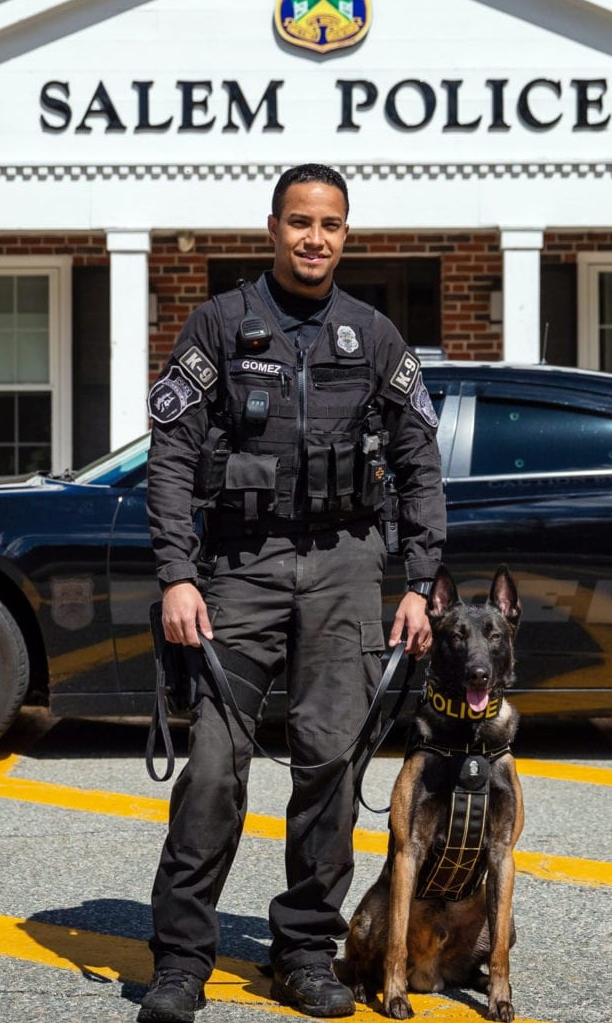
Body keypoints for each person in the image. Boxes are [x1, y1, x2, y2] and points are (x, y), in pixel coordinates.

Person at [138, 163, 446, 1022]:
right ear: (272, 227)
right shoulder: (220, 325)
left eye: (332, 224)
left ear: (348, 234)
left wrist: (420, 583)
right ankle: (183, 958)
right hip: (240, 569)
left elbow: (421, 464)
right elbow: (170, 457)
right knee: (211, 770)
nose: (316, 237)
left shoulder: (375, 335)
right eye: (301, 221)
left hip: (348, 569)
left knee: (331, 767)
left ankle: (306, 949)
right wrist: (177, 573)